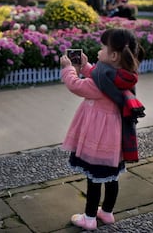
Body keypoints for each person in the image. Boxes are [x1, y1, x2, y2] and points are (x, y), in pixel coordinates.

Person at [60, 28, 145, 231]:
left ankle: (89, 218)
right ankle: (106, 213)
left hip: (98, 137)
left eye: (103, 47)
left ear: (113, 55)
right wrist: (85, 65)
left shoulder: (101, 83)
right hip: (114, 138)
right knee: (111, 177)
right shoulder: (122, 75)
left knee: (94, 179)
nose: (99, 50)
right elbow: (98, 75)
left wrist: (68, 68)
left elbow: (77, 86)